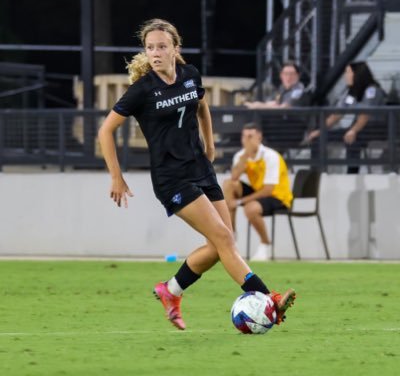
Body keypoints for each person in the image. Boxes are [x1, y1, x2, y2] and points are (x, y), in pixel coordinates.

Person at [98, 19, 295, 330]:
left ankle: (170, 290)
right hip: (171, 178)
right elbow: (106, 130)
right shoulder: (142, 90)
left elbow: (202, 106)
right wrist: (116, 177)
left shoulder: (190, 75)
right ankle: (268, 299)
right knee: (223, 238)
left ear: (176, 49)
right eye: (150, 48)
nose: (155, 53)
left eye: (162, 46)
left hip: (199, 169)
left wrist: (210, 144)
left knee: (220, 246)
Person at [223, 123, 293, 261]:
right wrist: (245, 156)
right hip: (258, 192)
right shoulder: (240, 156)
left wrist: (238, 202)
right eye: (244, 136)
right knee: (228, 184)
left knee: (251, 208)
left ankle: (265, 244)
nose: (246, 140)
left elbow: (268, 190)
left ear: (259, 137)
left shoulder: (270, 156)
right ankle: (231, 237)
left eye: (250, 136)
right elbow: (234, 177)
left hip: (278, 196)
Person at [305, 61, 386, 173]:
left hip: (375, 128)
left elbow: (365, 114)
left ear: (357, 74)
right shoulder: (352, 93)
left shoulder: (372, 90)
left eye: (348, 72)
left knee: (353, 138)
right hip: (358, 128)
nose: (345, 76)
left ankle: (352, 174)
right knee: (318, 138)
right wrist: (319, 130)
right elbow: (337, 114)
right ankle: (316, 173)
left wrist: (353, 130)